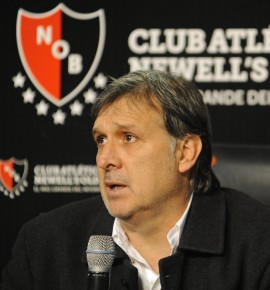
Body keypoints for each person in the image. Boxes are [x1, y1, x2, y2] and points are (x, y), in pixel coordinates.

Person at [2, 70, 270, 290]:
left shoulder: (260, 243)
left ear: (185, 153)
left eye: (128, 138)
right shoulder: (43, 244)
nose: (105, 159)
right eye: (101, 140)